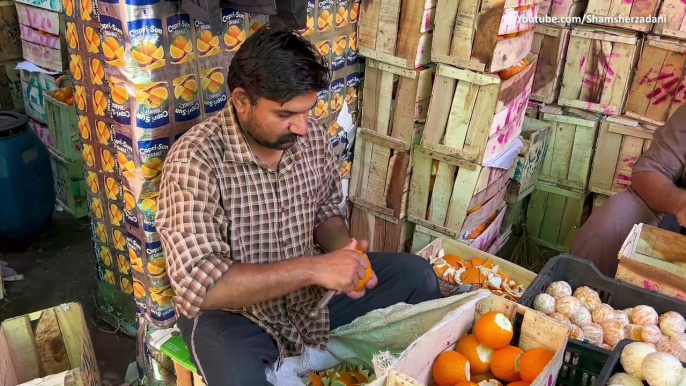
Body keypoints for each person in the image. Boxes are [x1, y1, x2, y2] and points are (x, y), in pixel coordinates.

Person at [155, 26, 441, 386]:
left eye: (307, 111)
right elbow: (203, 287)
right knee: (236, 373)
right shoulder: (196, 161)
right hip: (234, 317)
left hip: (309, 303)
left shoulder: (311, 138)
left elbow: (324, 210)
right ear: (242, 101)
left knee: (417, 278)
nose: (303, 127)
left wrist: (344, 251)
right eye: (286, 114)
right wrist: (312, 269)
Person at [571, 105, 686, 277]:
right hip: (675, 217)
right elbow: (652, 170)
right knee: (611, 221)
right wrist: (680, 203)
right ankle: (582, 292)